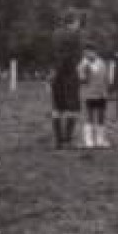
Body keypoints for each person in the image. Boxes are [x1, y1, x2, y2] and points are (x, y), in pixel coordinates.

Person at [49, 9, 84, 149]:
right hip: (70, 74)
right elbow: (78, 56)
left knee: (57, 107)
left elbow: (52, 54)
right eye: (78, 22)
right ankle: (68, 140)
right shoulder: (76, 35)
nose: (79, 24)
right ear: (74, 21)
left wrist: (54, 71)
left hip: (57, 74)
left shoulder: (55, 34)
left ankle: (58, 141)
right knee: (72, 107)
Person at [77, 43, 113, 148]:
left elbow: (106, 78)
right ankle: (89, 140)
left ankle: (100, 139)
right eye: (86, 52)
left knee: (101, 116)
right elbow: (82, 80)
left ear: (95, 51)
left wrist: (108, 90)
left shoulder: (101, 63)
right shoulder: (82, 64)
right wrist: (85, 72)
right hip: (88, 94)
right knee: (89, 116)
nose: (88, 54)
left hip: (101, 93)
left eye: (90, 51)